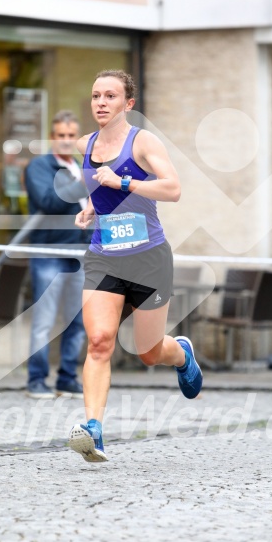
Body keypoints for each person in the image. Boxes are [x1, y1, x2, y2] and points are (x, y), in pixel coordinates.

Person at [68, 70, 203, 462]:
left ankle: (180, 353)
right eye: (96, 96)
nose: (101, 102)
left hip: (149, 259)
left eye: (110, 96)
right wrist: (94, 205)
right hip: (104, 255)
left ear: (128, 103)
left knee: (147, 352)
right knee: (99, 342)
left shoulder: (143, 142)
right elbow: (99, 183)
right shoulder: (86, 144)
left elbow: (172, 189)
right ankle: (93, 430)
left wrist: (122, 184)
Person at [25, 110, 90, 399]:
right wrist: (85, 183)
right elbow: (47, 201)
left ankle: (66, 378)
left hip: (79, 254)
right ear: (52, 137)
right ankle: (36, 380)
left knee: (77, 320)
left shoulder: (78, 167)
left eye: (71, 136)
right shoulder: (40, 166)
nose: (66, 140)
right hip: (48, 252)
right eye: (61, 136)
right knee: (44, 319)